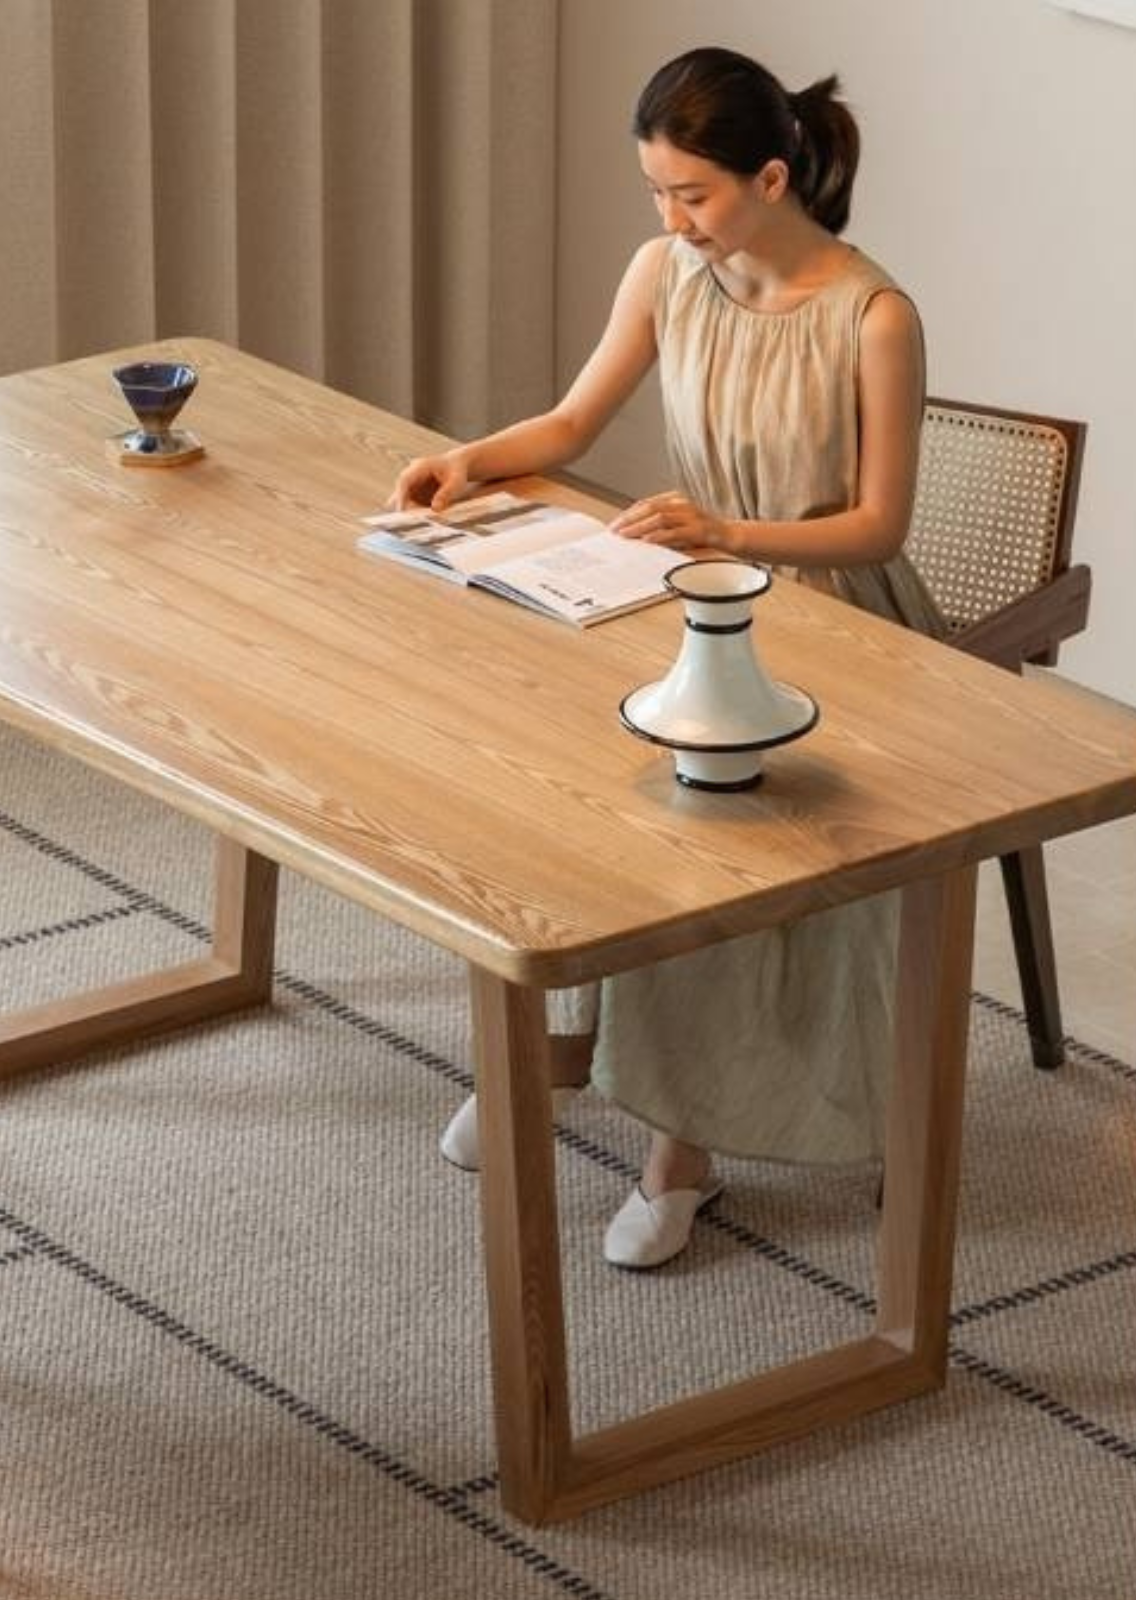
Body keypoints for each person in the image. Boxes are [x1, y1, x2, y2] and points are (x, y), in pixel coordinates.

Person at [389, 46, 947, 1270]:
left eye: (690, 196)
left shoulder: (873, 317)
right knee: (548, 788)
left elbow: (879, 527)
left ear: (768, 174)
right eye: (656, 194)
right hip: (694, 595)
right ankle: (551, 1058)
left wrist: (725, 532)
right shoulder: (666, 272)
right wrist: (472, 459)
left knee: (707, 837)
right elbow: (576, 420)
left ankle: (678, 1155)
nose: (670, 220)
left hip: (841, 624)